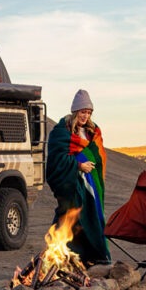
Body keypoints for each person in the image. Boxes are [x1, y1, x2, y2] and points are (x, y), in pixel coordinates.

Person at [45, 89, 110, 264]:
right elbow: (56, 161)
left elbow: (99, 155)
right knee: (71, 219)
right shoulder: (61, 132)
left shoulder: (93, 132)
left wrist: (92, 166)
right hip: (73, 186)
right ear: (75, 112)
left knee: (93, 217)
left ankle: (94, 258)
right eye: (82, 112)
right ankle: (62, 257)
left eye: (88, 113)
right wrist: (79, 166)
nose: (85, 116)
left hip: (92, 186)